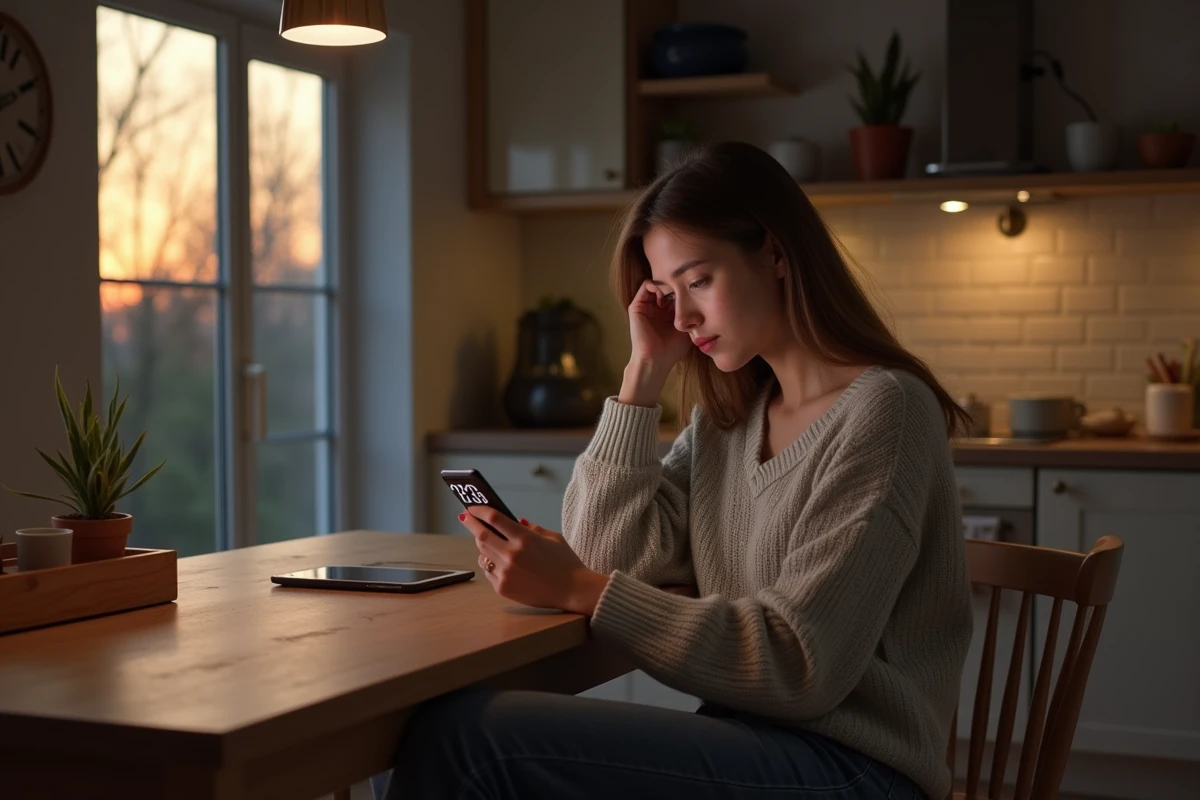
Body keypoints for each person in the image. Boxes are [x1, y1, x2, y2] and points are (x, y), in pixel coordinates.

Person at [372, 141, 973, 800]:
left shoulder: (886, 410)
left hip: (857, 768)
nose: (683, 318)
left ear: (774, 252)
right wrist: (642, 375)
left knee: (471, 740)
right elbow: (612, 554)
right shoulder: (731, 420)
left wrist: (580, 589)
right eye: (666, 292)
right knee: (422, 728)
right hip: (751, 743)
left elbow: (803, 665)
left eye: (699, 281)